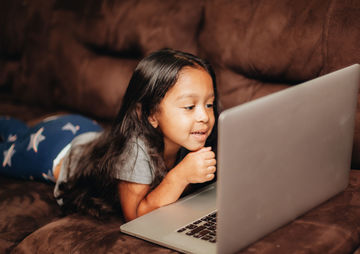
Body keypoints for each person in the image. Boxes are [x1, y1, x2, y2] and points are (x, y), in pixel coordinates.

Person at [0, 49, 219, 221]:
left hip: (86, 131)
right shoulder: (136, 149)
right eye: (189, 106)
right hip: (55, 148)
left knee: (18, 132)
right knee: (9, 149)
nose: (204, 116)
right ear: (151, 114)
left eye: (209, 104)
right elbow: (134, 216)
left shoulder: (191, 137)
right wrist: (180, 176)